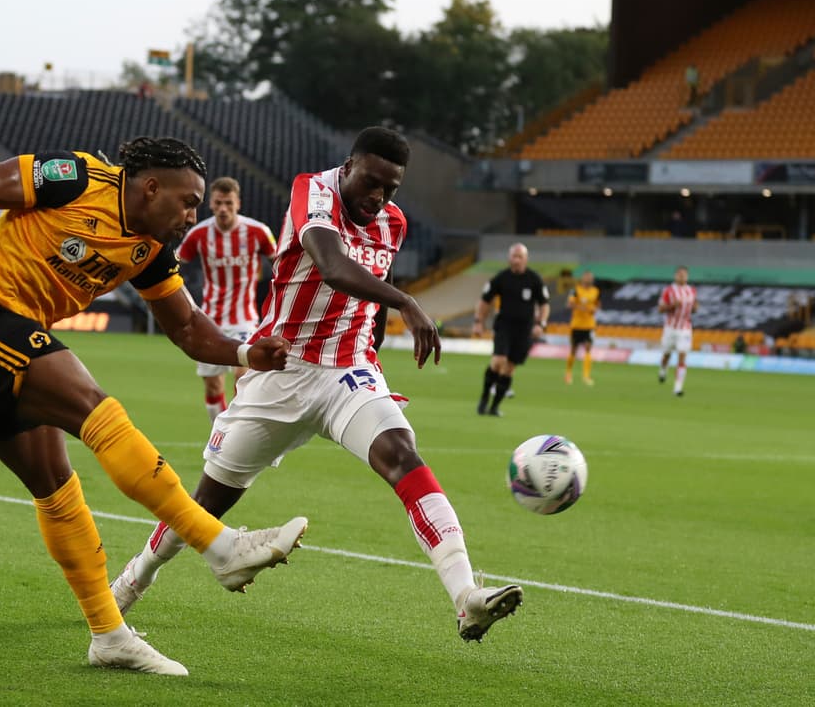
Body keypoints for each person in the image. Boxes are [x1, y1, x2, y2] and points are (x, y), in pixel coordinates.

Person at [0, 138, 309, 677]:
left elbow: (189, 328)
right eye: (187, 201)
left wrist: (244, 351)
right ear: (150, 187)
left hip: (4, 342)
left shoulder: (147, 249)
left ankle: (108, 634)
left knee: (57, 489)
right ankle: (220, 547)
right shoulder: (77, 178)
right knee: (100, 412)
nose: (191, 215)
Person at [109, 127, 522, 644]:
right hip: (280, 370)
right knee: (206, 505)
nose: (380, 198)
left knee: (404, 458)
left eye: (391, 189)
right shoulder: (314, 190)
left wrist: (375, 342)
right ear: (348, 167)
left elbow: (365, 304)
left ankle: (467, 597)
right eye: (372, 183)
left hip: (346, 372)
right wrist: (407, 302)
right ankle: (128, 585)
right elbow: (330, 266)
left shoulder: (392, 223)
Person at [175, 176, 277, 424]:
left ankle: (235, 435)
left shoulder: (258, 232)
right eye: (219, 203)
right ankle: (218, 434)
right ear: (210, 203)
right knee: (212, 387)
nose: (223, 209)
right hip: (209, 320)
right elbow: (174, 263)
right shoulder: (199, 234)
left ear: (237, 203)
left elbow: (280, 264)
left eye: (228, 203)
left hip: (244, 319)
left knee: (243, 377)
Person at [472, 244, 550, 416]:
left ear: (525, 259)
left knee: (509, 368)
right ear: (509, 258)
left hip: (524, 330)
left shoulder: (534, 279)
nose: (516, 260)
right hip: (504, 326)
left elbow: (544, 304)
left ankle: (494, 407)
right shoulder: (501, 278)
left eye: (519, 257)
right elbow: (485, 300)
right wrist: (479, 321)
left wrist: (541, 324)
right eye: (514, 256)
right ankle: (484, 397)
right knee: (498, 361)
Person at [658, 265, 699, 396]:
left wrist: (695, 308)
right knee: (667, 355)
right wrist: (672, 305)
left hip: (685, 328)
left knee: (682, 357)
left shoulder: (691, 291)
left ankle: (678, 387)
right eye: (680, 274)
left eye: (684, 274)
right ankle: (663, 370)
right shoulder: (668, 291)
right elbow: (660, 309)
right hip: (670, 328)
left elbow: (694, 307)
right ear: (675, 276)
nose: (682, 277)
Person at [564, 270, 599, 386]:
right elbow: (569, 304)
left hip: (589, 325)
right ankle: (568, 373)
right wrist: (581, 307)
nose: (589, 279)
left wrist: (594, 309)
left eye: (591, 277)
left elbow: (597, 305)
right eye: (587, 277)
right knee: (573, 349)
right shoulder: (575, 290)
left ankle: (586, 376)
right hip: (577, 324)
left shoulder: (596, 291)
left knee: (588, 348)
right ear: (583, 278)